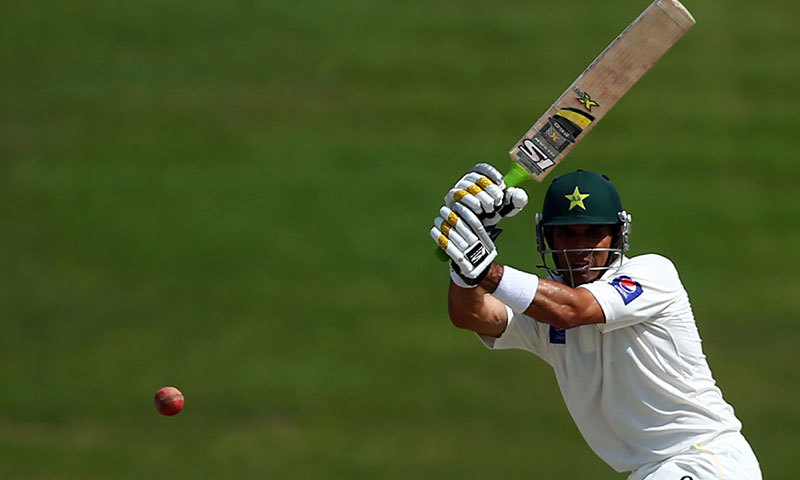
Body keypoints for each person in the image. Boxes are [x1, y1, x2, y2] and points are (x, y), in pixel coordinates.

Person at [430, 165, 762, 480]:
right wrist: (464, 272)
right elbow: (471, 315)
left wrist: (484, 269)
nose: (581, 248)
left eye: (594, 232)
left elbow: (572, 311)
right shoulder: (543, 306)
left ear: (617, 235)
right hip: (653, 470)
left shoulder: (652, 274)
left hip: (703, 459)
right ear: (548, 238)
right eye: (567, 234)